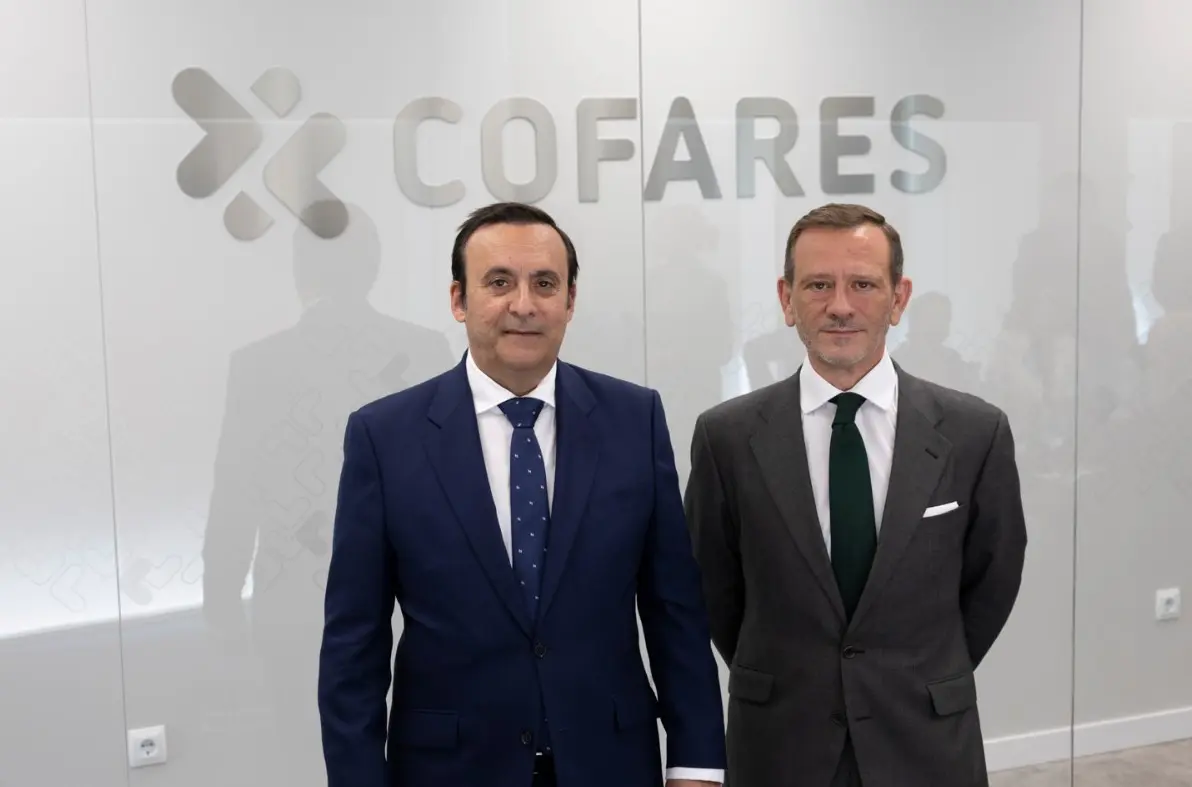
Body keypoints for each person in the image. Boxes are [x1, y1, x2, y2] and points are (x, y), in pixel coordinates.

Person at [318, 201, 726, 787]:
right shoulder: (384, 437)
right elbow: (353, 644)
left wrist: (696, 764)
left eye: (545, 284)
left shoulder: (634, 420)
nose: (524, 305)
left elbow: (674, 613)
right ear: (459, 300)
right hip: (449, 771)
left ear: (570, 300)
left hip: (609, 764)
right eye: (499, 282)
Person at [684, 203, 1027, 787]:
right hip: (780, 744)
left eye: (863, 284)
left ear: (898, 298)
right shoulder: (727, 438)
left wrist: (919, 675)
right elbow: (715, 591)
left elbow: (991, 580)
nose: (840, 305)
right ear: (787, 299)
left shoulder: (974, 433)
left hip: (925, 739)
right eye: (818, 285)